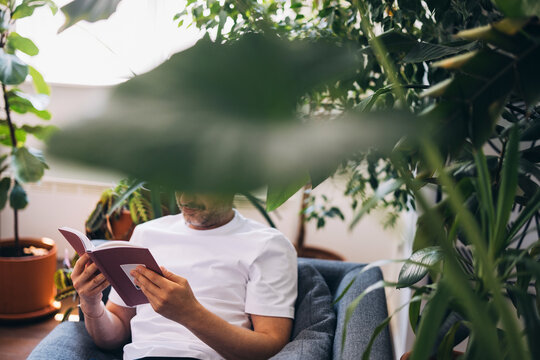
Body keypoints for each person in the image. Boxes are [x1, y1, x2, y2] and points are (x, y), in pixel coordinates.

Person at [71, 192, 298, 360]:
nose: (185, 198)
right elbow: (114, 335)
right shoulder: (146, 233)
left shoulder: (268, 245)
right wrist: (90, 303)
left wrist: (189, 313)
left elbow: (270, 347)